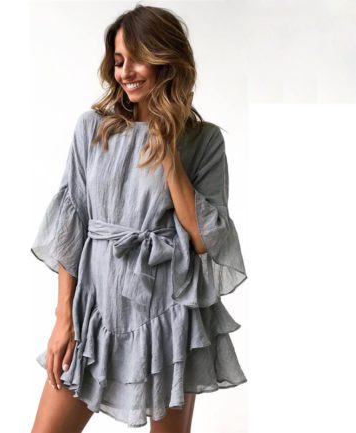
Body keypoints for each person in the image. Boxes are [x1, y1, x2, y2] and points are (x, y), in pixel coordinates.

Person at [30, 5, 248, 433]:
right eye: (118, 61)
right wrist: (63, 318)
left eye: (136, 58)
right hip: (95, 313)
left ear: (166, 60)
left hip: (169, 317)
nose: (125, 72)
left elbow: (204, 238)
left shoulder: (204, 141)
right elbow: (72, 225)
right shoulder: (92, 129)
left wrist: (167, 146)